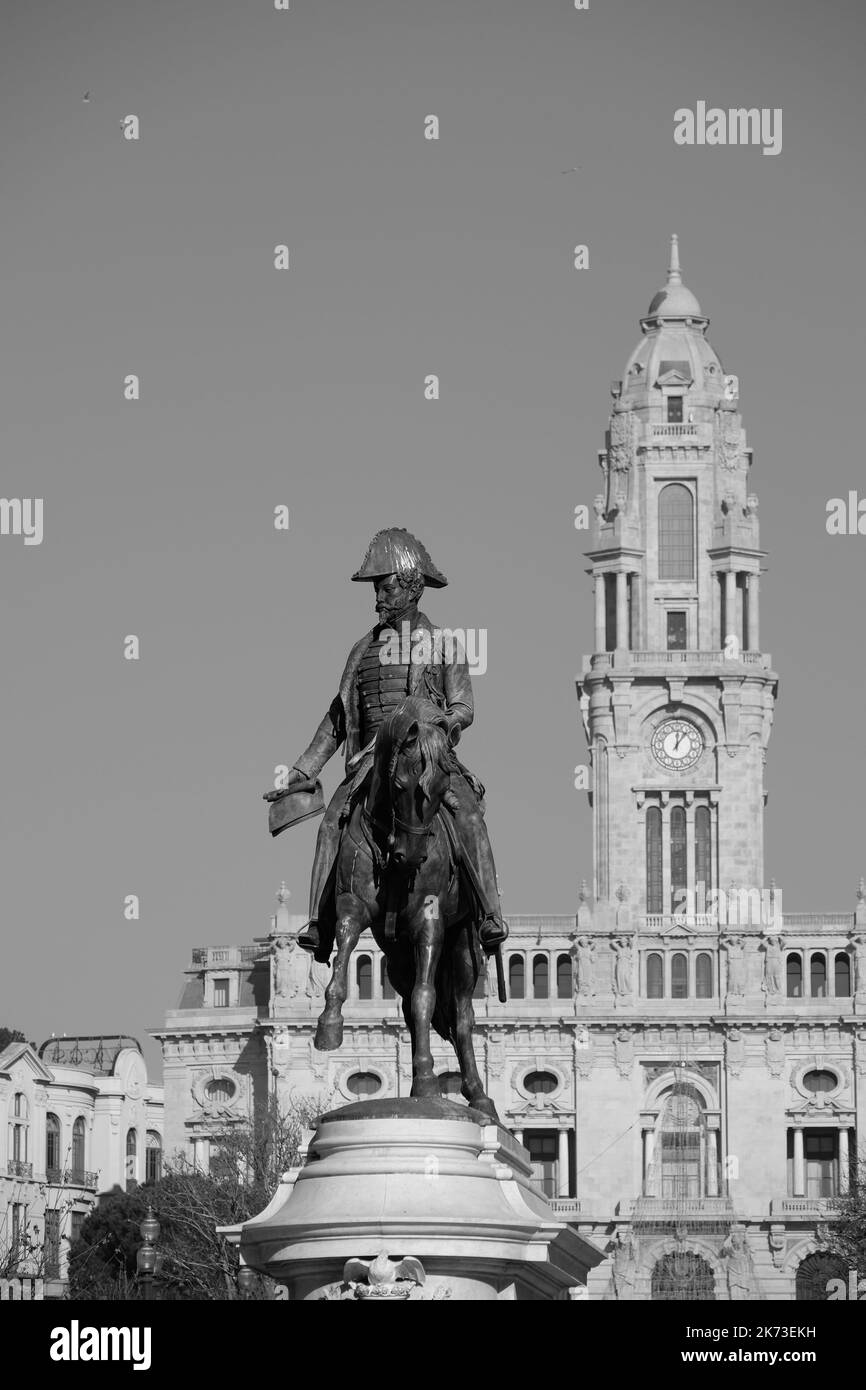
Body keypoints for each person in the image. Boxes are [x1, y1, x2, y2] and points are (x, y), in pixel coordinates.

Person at [265, 527, 507, 964]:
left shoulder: (444, 645)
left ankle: (490, 913)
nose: (378, 595)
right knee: (331, 824)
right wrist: (301, 773)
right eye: (376, 587)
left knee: (469, 817)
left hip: (427, 761)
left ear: (412, 587)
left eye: (386, 585)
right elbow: (337, 719)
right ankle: (320, 925)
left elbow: (463, 707)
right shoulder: (361, 650)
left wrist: (440, 726)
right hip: (369, 765)